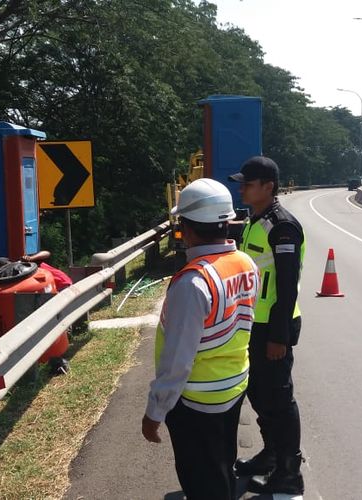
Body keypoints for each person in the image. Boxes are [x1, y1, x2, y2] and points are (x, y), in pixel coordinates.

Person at [142, 178, 259, 499]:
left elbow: (178, 360)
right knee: (221, 464)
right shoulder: (246, 263)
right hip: (234, 386)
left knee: (200, 480)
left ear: (187, 228)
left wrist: (155, 412)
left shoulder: (193, 283)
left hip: (196, 400)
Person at [228, 156, 306, 495]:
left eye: (247, 183)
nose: (241, 188)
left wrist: (278, 336)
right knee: (259, 395)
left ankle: (289, 471)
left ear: (268, 187)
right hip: (253, 325)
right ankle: (271, 454)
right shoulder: (254, 221)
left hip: (274, 326)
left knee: (279, 400)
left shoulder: (282, 226)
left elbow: (287, 286)